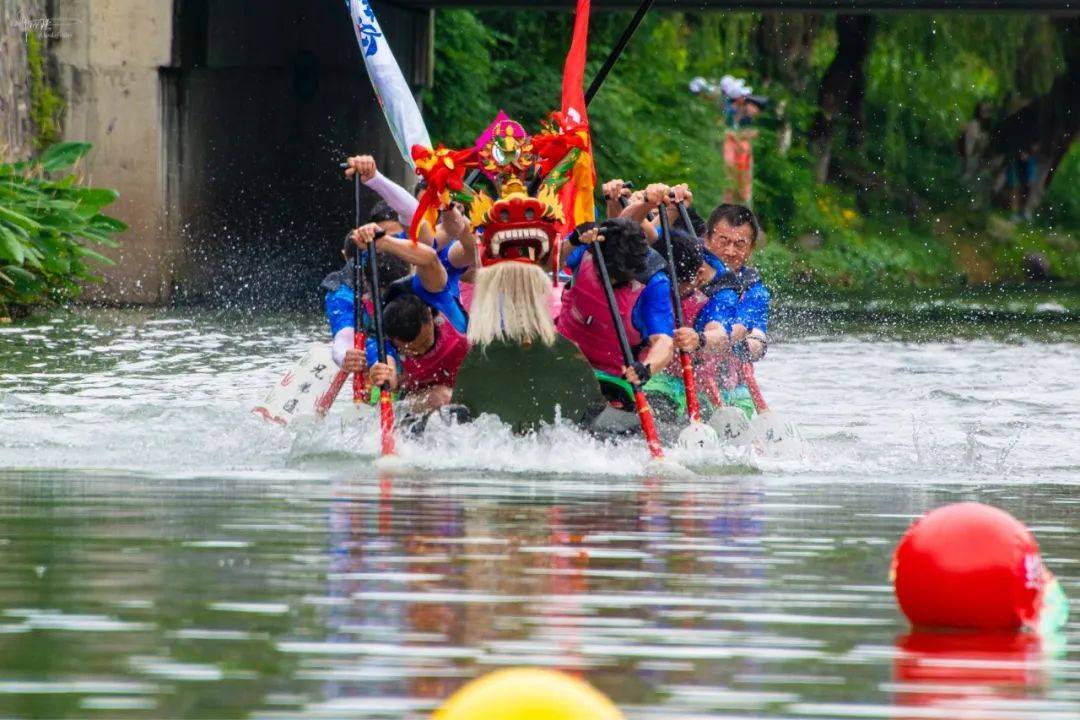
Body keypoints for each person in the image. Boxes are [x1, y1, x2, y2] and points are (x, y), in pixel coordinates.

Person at [556, 216, 675, 407]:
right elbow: (548, 263)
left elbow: (664, 342)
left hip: (614, 378)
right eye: (604, 275)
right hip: (563, 354)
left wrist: (645, 369)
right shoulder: (590, 243)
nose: (610, 283)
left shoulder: (654, 282)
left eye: (618, 279)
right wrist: (572, 241)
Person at [672, 203, 769, 417]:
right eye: (723, 241)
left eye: (739, 244)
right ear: (706, 239)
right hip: (675, 379)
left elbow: (752, 334)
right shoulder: (684, 262)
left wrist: (746, 346)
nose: (730, 251)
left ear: (751, 248)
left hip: (730, 386)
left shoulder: (755, 291)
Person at [365, 293, 469, 412]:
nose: (421, 351)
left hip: (462, 389)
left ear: (430, 317)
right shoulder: (385, 347)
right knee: (442, 397)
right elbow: (386, 366)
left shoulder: (454, 319)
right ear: (392, 339)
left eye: (424, 343)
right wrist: (385, 375)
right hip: (417, 400)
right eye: (411, 350)